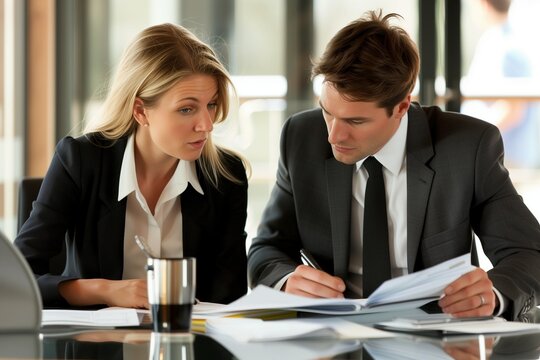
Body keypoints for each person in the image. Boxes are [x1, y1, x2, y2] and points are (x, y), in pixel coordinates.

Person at [247, 10, 540, 321]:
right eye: (327, 112)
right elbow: (266, 250)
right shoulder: (301, 138)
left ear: (401, 107)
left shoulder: (467, 147)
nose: (333, 135)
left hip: (437, 337)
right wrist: (286, 280)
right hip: (331, 334)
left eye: (355, 120)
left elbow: (527, 253)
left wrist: (491, 295)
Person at [15, 23, 249, 308]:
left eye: (211, 104)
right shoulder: (79, 161)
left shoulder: (226, 177)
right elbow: (16, 278)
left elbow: (230, 298)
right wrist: (105, 291)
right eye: (187, 109)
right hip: (95, 348)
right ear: (140, 110)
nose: (207, 125)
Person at [462, 0, 540, 167]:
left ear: (484, 4)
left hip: (504, 159)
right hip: (497, 156)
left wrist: (471, 139)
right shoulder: (496, 40)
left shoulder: (506, 47)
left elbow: (513, 109)